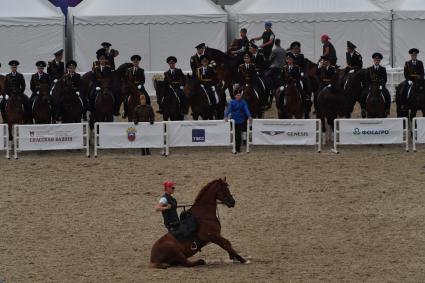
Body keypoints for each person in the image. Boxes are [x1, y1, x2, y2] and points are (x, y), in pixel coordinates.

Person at [363, 52, 391, 117]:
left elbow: (385, 79)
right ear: (373, 60)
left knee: (387, 95)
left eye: (378, 60)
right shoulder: (369, 69)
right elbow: (367, 79)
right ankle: (363, 109)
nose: (377, 61)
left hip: (380, 86)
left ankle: (387, 109)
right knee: (363, 95)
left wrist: (382, 85)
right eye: (375, 60)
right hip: (371, 86)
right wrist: (369, 86)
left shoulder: (383, 69)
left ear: (380, 61)